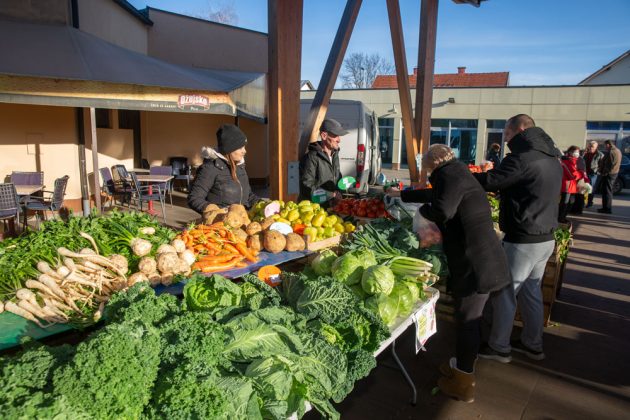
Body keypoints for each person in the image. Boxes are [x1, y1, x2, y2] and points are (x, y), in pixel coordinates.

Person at [386, 144, 510, 403]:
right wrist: (404, 195)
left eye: (427, 168)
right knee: (469, 319)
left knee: (468, 321)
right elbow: (437, 195)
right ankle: (461, 366)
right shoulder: (457, 172)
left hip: (475, 264)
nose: (428, 173)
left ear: (432, 164)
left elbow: (443, 209)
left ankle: (464, 384)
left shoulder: (448, 175)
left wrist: (422, 213)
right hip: (485, 258)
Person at [473, 114, 562, 363]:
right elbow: (530, 188)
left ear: (521, 129)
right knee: (531, 291)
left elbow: (491, 180)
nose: (505, 139)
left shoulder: (522, 158)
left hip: (524, 239)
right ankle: (533, 344)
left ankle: (499, 347)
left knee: (505, 292)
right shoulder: (551, 157)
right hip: (546, 237)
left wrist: (458, 175)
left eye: (508, 133)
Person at [187, 124, 258, 217]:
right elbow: (194, 198)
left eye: (244, 147)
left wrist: (264, 204)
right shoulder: (210, 168)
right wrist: (217, 213)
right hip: (220, 223)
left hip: (242, 221)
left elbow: (248, 196)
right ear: (229, 149)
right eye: (240, 147)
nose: (244, 151)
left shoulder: (240, 167)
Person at [298, 118, 348, 203]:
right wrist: (331, 195)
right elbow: (306, 187)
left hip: (332, 206)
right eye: (335, 135)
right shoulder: (311, 157)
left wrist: (340, 190)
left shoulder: (335, 154)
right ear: (324, 136)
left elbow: (337, 177)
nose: (339, 140)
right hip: (316, 208)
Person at [559, 146, 588, 222]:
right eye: (575, 152)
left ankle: (563, 217)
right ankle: (560, 218)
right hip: (567, 186)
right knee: (565, 203)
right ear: (570, 152)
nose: (577, 153)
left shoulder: (573, 161)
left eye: (578, 152)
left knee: (570, 203)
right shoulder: (566, 161)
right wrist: (581, 173)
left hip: (572, 186)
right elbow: (573, 175)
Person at [597, 139, 622, 214]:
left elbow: (609, 164)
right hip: (613, 173)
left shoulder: (611, 152)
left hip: (609, 174)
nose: (605, 147)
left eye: (605, 145)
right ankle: (606, 208)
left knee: (607, 191)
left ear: (608, 144)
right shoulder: (618, 150)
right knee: (607, 191)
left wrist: (604, 172)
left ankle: (607, 209)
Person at [583, 140, 603, 208]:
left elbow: (602, 165)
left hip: (593, 174)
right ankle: (583, 201)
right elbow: (582, 161)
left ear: (596, 147)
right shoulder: (586, 153)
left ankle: (589, 202)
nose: (591, 148)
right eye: (590, 146)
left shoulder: (600, 154)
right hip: (586, 173)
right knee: (584, 188)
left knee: (591, 189)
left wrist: (597, 171)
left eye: (593, 146)